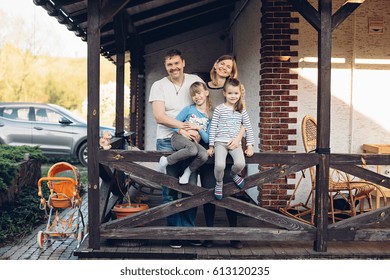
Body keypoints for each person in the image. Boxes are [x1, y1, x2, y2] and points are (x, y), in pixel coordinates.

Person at [148, 49, 203, 249]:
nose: (174, 67)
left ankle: (188, 232)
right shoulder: (158, 86)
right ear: (166, 67)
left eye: (176, 63)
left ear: (183, 63)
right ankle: (174, 233)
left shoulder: (195, 80)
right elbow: (159, 117)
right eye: (170, 64)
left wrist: (198, 131)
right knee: (169, 189)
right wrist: (182, 127)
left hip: (191, 141)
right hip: (166, 140)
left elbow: (203, 108)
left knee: (191, 188)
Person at [199, 54, 248, 249]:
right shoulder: (204, 87)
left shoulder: (236, 88)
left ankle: (233, 235)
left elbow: (244, 119)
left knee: (231, 191)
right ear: (215, 64)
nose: (225, 68)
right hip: (210, 144)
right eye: (222, 64)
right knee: (209, 188)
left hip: (232, 144)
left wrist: (239, 140)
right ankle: (210, 235)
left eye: (229, 66)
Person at [207, 78, 254, 199]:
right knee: (219, 165)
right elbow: (213, 128)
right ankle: (219, 183)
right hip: (220, 143)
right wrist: (211, 146)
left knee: (240, 163)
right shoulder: (219, 109)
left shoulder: (241, 110)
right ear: (224, 93)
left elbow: (248, 127)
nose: (233, 96)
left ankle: (233, 175)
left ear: (240, 94)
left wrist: (249, 146)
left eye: (236, 93)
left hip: (235, 144)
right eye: (230, 93)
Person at [157, 81, 212, 184]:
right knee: (192, 150)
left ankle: (188, 172)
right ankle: (165, 161)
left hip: (192, 143)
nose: (196, 96)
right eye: (193, 95)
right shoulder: (189, 109)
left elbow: (207, 139)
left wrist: (198, 128)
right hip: (178, 138)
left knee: (204, 155)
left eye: (199, 93)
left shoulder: (210, 115)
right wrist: (182, 131)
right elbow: (174, 124)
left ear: (206, 93)